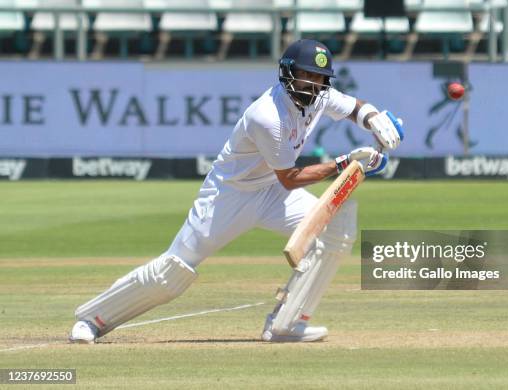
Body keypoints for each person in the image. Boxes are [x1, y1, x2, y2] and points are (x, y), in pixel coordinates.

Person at [69, 39, 403, 344]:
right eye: (304, 75)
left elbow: (355, 107)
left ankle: (286, 323)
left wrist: (374, 118)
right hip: (229, 195)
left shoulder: (321, 96)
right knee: (175, 270)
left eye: (318, 77)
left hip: (271, 193)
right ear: (288, 73)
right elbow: (290, 176)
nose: (311, 84)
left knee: (337, 223)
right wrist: (344, 163)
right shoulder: (268, 116)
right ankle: (93, 319)